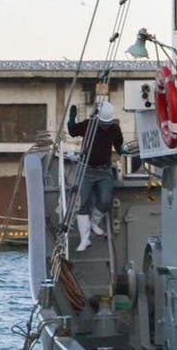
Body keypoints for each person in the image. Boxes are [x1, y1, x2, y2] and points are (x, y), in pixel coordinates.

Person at [67, 98, 124, 251]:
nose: (105, 127)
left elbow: (118, 144)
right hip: (86, 169)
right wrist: (72, 118)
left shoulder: (114, 129)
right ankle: (85, 238)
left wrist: (121, 151)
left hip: (104, 170)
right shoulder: (89, 125)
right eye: (103, 123)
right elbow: (72, 131)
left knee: (105, 200)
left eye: (107, 124)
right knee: (82, 203)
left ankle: (94, 222)